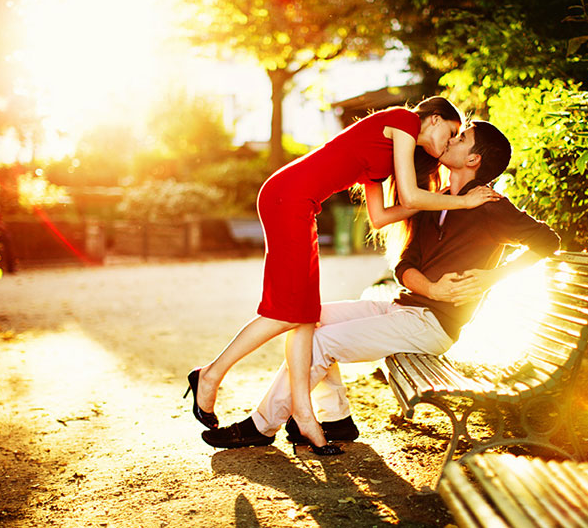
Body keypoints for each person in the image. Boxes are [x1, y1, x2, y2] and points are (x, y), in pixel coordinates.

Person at [200, 120, 560, 450]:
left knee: (320, 342)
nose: (453, 138)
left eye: (462, 137)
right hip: (404, 307)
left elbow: (548, 240)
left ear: (474, 159)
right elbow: (406, 263)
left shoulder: (490, 205)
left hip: (432, 325)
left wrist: (491, 277)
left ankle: (261, 426)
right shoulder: (438, 201)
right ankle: (337, 419)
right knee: (309, 318)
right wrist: (430, 288)